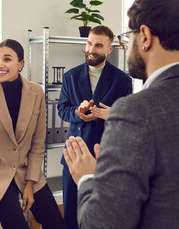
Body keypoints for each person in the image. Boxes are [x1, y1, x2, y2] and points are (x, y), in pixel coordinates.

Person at [64, 0, 179, 228]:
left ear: (144, 36)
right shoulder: (71, 76)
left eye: (128, 36)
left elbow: (102, 223)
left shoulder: (134, 112)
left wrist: (88, 178)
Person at [0, 39, 65, 229]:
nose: (0, 65)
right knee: (17, 225)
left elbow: (37, 142)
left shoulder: (36, 92)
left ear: (21, 64)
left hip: (27, 170)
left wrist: (30, 184)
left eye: (7, 59)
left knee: (57, 223)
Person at [57, 25, 132, 228]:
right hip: (74, 155)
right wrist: (77, 113)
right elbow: (62, 109)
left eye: (98, 45)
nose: (91, 49)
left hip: (106, 158)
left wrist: (112, 115)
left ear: (110, 49)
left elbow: (129, 121)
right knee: (71, 215)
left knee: (101, 215)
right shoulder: (70, 77)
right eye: (89, 43)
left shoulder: (123, 80)